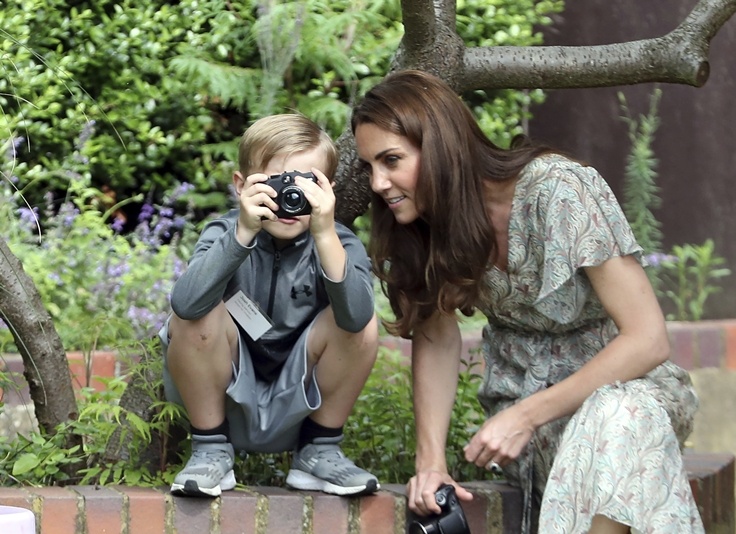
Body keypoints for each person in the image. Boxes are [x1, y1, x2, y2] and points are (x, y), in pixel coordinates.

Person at [351, 70, 703, 533]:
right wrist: (431, 461)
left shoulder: (558, 190)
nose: (378, 183)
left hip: (626, 393)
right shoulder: (422, 229)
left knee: (621, 418)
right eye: (369, 167)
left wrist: (526, 415)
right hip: (529, 420)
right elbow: (435, 337)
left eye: (391, 160)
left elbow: (649, 339)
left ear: (439, 146)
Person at [160, 113, 380, 498]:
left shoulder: (339, 242)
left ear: (328, 190)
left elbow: (356, 318)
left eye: (306, 184)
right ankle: (210, 450)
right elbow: (186, 304)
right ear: (242, 185)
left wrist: (325, 234)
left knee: (364, 324)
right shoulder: (224, 231)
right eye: (277, 182)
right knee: (199, 313)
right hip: (224, 396)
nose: (289, 197)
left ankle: (320, 450)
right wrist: (243, 232)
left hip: (302, 400)